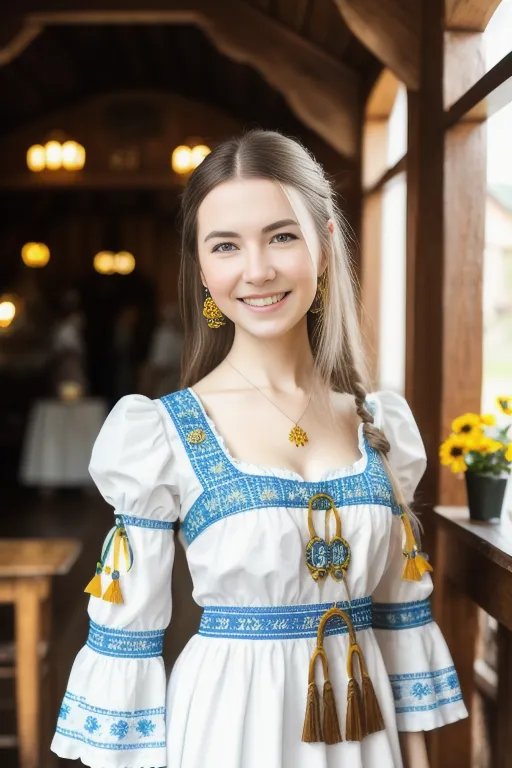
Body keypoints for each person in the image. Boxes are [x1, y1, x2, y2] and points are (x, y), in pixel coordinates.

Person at [51, 130, 467, 768]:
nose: (257, 269)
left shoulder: (378, 423)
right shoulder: (162, 434)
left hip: (366, 725)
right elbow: (127, 638)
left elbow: (401, 618)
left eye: (282, 235)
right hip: (228, 724)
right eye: (226, 245)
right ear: (202, 268)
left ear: (325, 246)